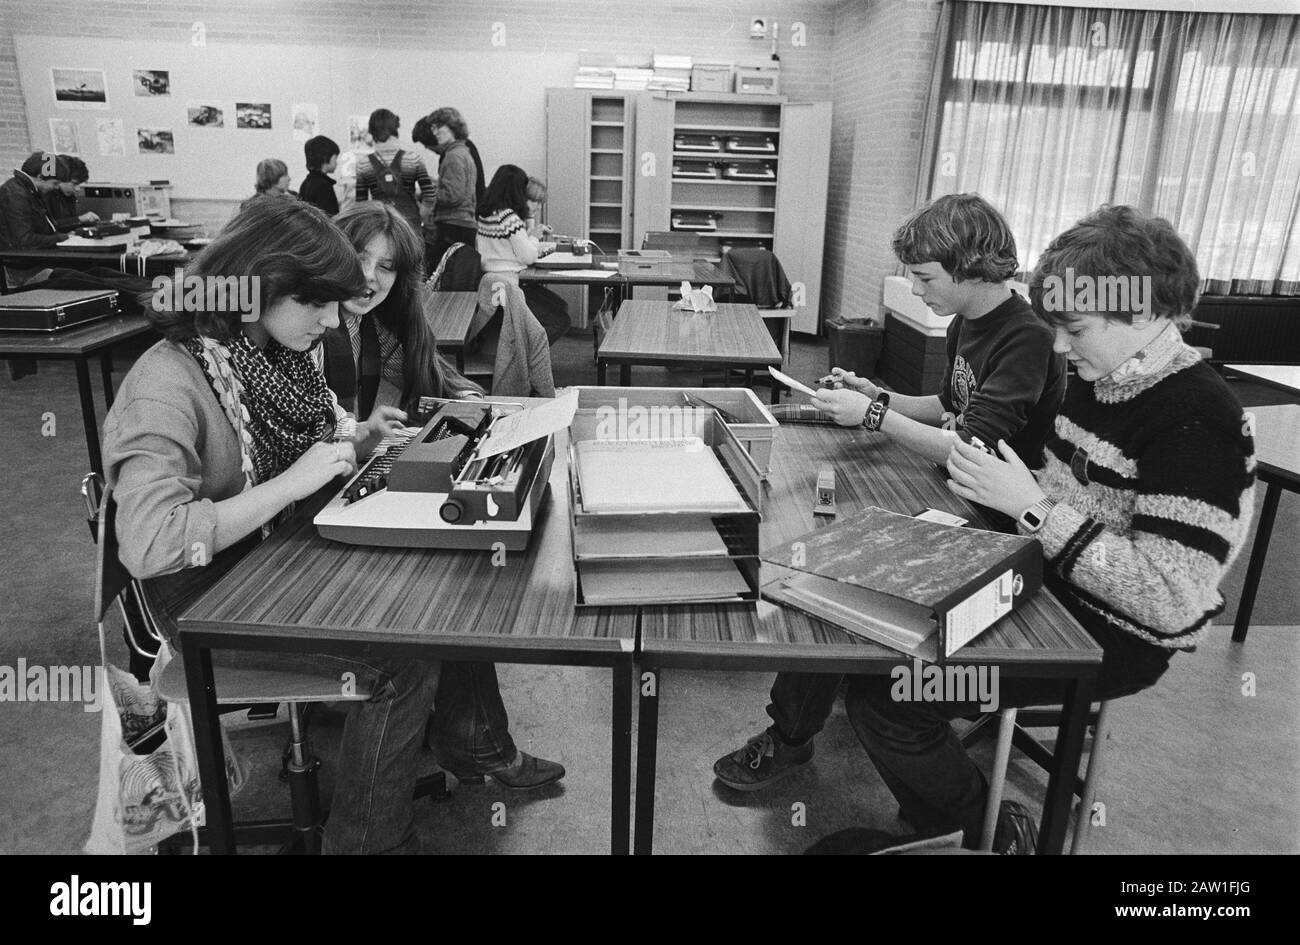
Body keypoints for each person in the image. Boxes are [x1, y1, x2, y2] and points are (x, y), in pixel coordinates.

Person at [842, 205, 1256, 850]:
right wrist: (1005, 522)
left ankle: (979, 833)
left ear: (1142, 314)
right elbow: (1054, 496)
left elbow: (1171, 602)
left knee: (893, 695)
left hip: (1104, 640)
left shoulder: (1198, 421)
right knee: (864, 617)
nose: (1059, 345)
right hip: (1042, 588)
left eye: (1075, 326)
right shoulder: (1103, 378)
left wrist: (1033, 509)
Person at [102, 199, 441, 854]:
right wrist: (294, 481)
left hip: (271, 560)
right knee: (406, 657)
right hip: (208, 603)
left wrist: (374, 442)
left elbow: (321, 424)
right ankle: (367, 843)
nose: (332, 317)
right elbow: (149, 541)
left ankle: (448, 754)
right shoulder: (168, 377)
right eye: (316, 301)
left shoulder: (269, 351)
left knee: (421, 592)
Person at [713, 193, 1066, 795]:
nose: (916, 290)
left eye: (925, 277)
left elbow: (970, 448)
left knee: (840, 568)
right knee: (827, 558)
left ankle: (800, 731)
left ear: (974, 266)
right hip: (956, 496)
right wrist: (876, 392)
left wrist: (873, 413)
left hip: (1000, 522)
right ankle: (798, 724)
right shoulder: (966, 321)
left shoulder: (1026, 337)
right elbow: (946, 410)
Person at [315, 202, 565, 788]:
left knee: (459, 573)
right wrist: (357, 436)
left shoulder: (374, 325)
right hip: (315, 522)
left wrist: (483, 404)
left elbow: (426, 373)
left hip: (351, 492)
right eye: (359, 260)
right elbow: (319, 432)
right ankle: (473, 743)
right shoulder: (308, 329)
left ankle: (471, 740)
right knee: (447, 591)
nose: (371, 279)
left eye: (388, 268)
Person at [476, 165, 570, 344]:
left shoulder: (486, 214)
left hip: (492, 284)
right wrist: (533, 238)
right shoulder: (509, 218)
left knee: (558, 306)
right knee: (560, 321)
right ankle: (526, 356)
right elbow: (528, 257)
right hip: (510, 287)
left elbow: (505, 248)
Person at [355, 108, 434, 235]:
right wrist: (421, 216)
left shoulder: (363, 164)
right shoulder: (413, 158)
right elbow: (430, 195)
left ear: (371, 131)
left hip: (380, 227)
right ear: (395, 128)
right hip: (410, 226)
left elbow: (361, 205)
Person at [424, 107, 479, 269]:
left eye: (438, 127)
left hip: (453, 225)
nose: (435, 132)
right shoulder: (464, 153)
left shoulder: (452, 156)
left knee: (444, 277)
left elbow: (453, 195)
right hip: (465, 224)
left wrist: (427, 193)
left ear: (452, 127)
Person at [0, 151, 69, 251]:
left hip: (30, 257)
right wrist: (61, 238)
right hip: (21, 262)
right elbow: (24, 241)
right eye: (55, 183)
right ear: (40, 177)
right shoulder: (16, 195)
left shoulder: (28, 191)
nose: (57, 187)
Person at [47, 155, 99, 230]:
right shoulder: (46, 195)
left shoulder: (69, 196)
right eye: (74, 184)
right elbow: (46, 226)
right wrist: (79, 219)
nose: (77, 189)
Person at [298, 135, 340, 216]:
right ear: (325, 157)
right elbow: (331, 217)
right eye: (335, 158)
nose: (337, 162)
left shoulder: (306, 183)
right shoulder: (324, 186)